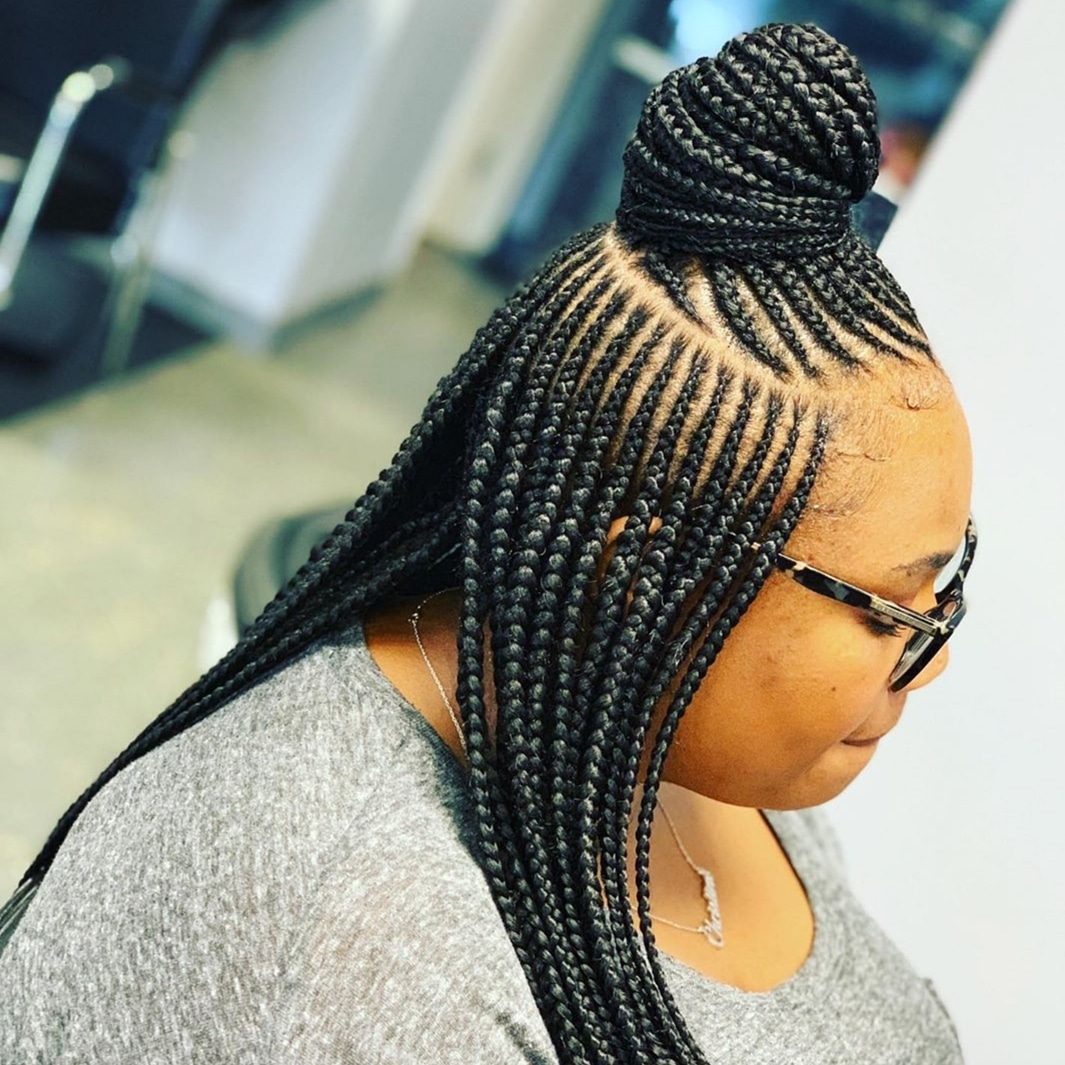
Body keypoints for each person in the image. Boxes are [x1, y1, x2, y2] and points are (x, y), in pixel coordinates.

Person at [0, 23, 973, 1064]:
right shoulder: (372, 956)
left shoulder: (665, 731)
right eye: (890, 611)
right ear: (641, 573)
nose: (933, 657)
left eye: (950, 581)